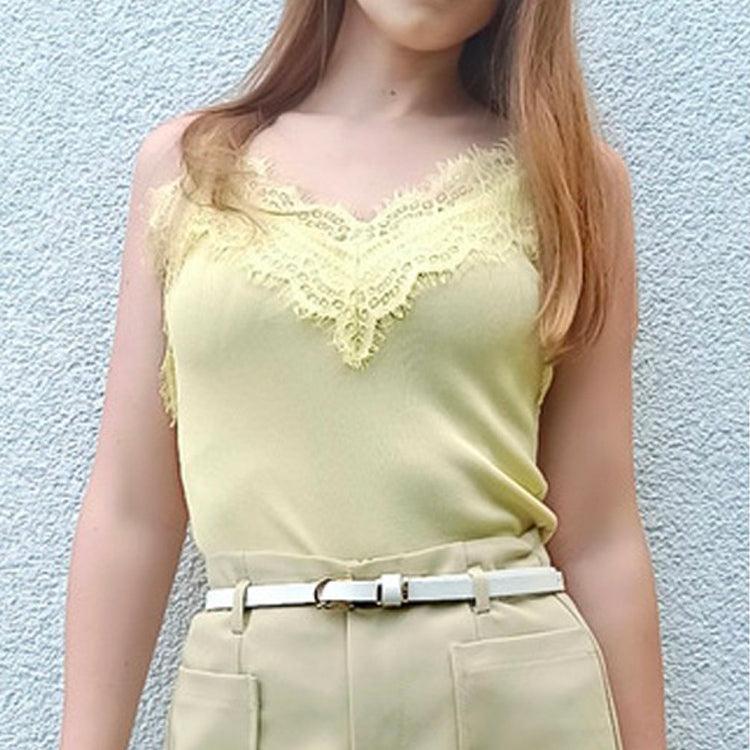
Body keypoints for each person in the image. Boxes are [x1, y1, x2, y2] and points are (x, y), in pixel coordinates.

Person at [59, 1, 668, 748]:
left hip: (514, 693)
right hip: (254, 701)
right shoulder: (191, 169)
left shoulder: (572, 180)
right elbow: (133, 510)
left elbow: (600, 533)